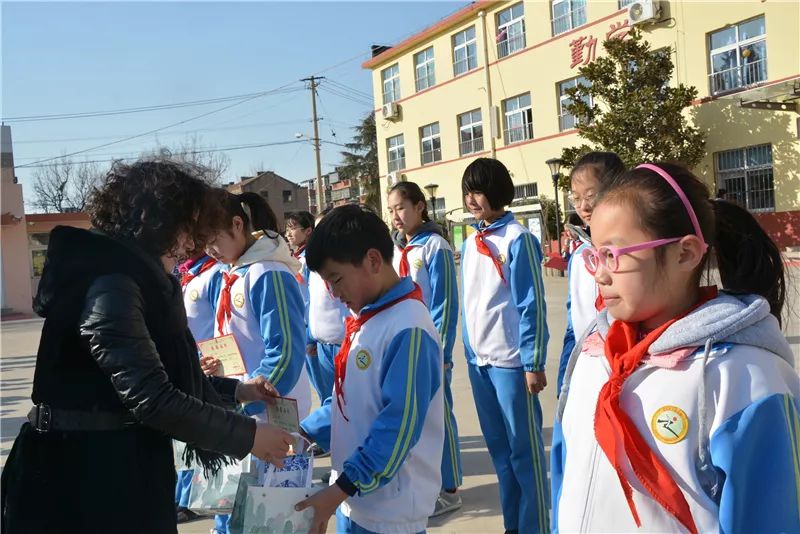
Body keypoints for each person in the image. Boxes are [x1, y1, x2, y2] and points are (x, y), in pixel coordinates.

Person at [0, 159, 293, 534]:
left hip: (114, 467)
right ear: (157, 222)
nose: (191, 245)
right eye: (187, 229)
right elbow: (150, 396)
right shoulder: (111, 284)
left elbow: (159, 376)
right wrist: (249, 436)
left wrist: (237, 389)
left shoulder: (136, 280)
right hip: (81, 480)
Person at [552, 162, 799, 533]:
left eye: (614, 256)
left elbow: (769, 517)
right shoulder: (591, 358)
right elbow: (564, 474)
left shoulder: (744, 376)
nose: (600, 275)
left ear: (685, 254)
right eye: (595, 254)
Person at [295, 205, 444, 534]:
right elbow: (347, 401)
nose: (334, 293)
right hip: (355, 497)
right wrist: (303, 432)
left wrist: (339, 490)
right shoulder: (369, 318)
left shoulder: (409, 328)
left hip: (389, 512)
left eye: (336, 279)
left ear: (373, 261)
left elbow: (397, 429)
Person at [205, 191, 311, 534]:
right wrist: (216, 374)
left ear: (237, 225)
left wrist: (241, 403)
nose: (209, 250)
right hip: (239, 413)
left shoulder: (268, 273)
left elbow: (285, 355)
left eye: (212, 240)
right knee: (233, 514)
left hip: (268, 416)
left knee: (270, 520)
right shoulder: (234, 272)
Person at [460, 158, 550, 534]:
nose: (471, 198)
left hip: (511, 365)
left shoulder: (518, 239)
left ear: (497, 191)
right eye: (467, 191)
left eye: (478, 190)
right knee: (501, 455)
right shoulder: (469, 243)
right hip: (479, 364)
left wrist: (533, 361)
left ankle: (538, 526)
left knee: (524, 454)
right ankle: (513, 525)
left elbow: (531, 304)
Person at [387, 181, 462, 517]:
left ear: (420, 207)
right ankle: (424, 487)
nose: (396, 216)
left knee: (440, 418)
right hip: (405, 347)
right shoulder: (397, 249)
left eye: (401, 207)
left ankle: (450, 488)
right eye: (390, 210)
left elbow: (445, 304)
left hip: (431, 350)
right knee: (414, 420)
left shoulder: (435, 246)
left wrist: (441, 354)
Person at [557, 152, 625, 394]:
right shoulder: (580, 256)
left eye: (590, 196)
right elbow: (571, 323)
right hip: (586, 367)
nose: (583, 207)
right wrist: (565, 377)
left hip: (621, 370)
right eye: (576, 198)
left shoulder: (630, 252)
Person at [174, 251, 222, 523]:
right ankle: (181, 495)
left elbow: (220, 322)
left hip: (206, 365)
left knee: (195, 434)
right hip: (187, 363)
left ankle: (190, 499)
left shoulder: (214, 273)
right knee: (182, 439)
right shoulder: (189, 273)